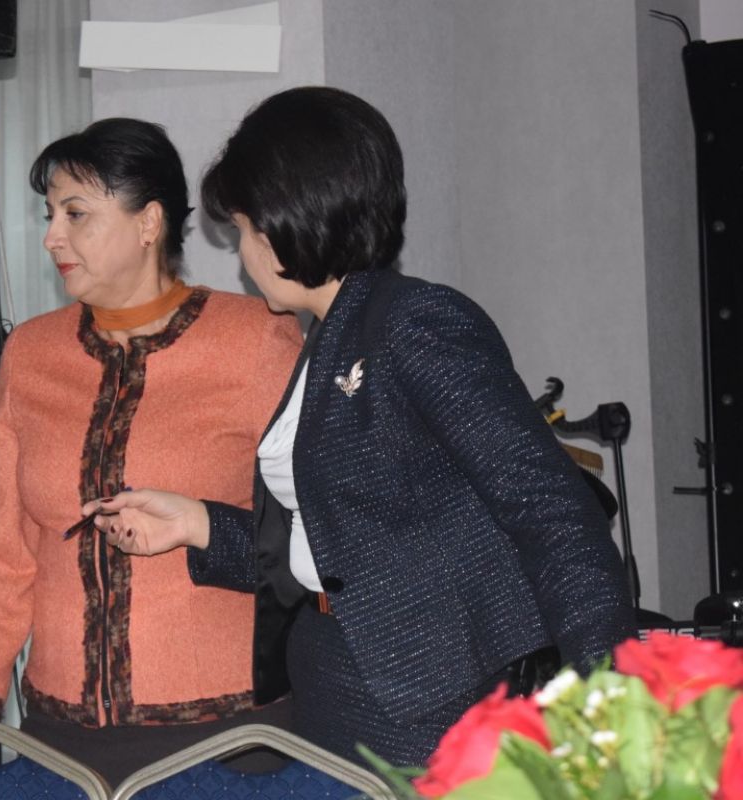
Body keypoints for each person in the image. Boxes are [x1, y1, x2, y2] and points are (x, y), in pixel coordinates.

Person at [86, 87, 637, 767]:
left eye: (245, 230)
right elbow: (348, 545)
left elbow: (550, 511)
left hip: (434, 701)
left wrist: (607, 709)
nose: (243, 255)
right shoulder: (328, 336)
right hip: (337, 686)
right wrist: (196, 524)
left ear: (287, 222)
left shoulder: (414, 323)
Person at [0, 118, 303, 785]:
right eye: (49, 215)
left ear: (149, 223)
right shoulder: (30, 353)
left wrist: (203, 525)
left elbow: (320, 532)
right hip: (60, 742)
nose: (52, 236)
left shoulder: (257, 339)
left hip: (226, 740)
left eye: (76, 214)